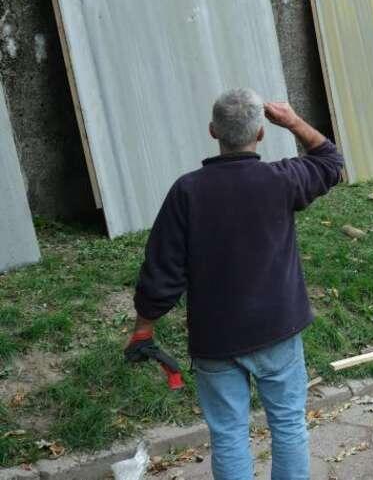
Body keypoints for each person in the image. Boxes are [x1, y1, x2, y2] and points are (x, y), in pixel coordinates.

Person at [126, 89, 343, 480]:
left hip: (216, 340)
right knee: (288, 424)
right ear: (261, 133)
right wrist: (293, 121)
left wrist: (144, 327)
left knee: (228, 434)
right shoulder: (281, 180)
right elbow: (330, 161)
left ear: (213, 131)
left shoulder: (187, 191)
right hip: (277, 330)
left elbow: (162, 270)